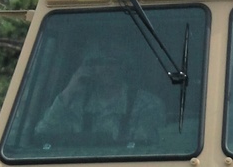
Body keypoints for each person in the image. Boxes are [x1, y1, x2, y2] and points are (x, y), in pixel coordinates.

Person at [35, 49, 165, 153]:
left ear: (124, 67)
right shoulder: (76, 103)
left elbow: (147, 149)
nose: (106, 68)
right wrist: (69, 90)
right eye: (99, 62)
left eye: (113, 62)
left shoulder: (146, 104)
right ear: (90, 68)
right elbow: (43, 134)